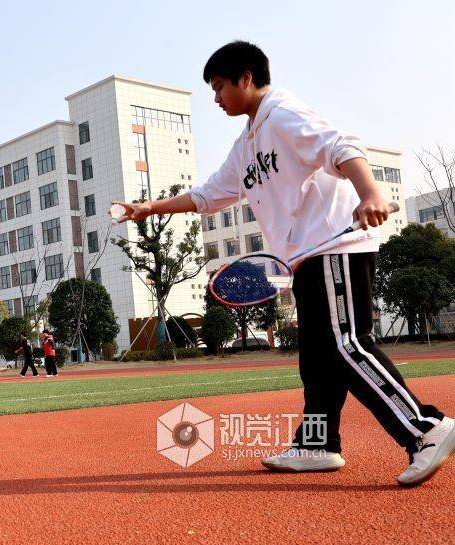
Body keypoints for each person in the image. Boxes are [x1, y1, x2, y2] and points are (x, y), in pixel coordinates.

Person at [116, 41, 453, 487]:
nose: (215, 98)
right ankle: (318, 445)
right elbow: (208, 195)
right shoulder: (247, 142)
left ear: (247, 78)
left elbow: (342, 145)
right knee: (316, 359)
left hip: (335, 244)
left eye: (219, 87)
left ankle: (424, 428)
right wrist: (150, 209)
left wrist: (370, 193)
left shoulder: (283, 114)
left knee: (346, 345)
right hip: (305, 257)